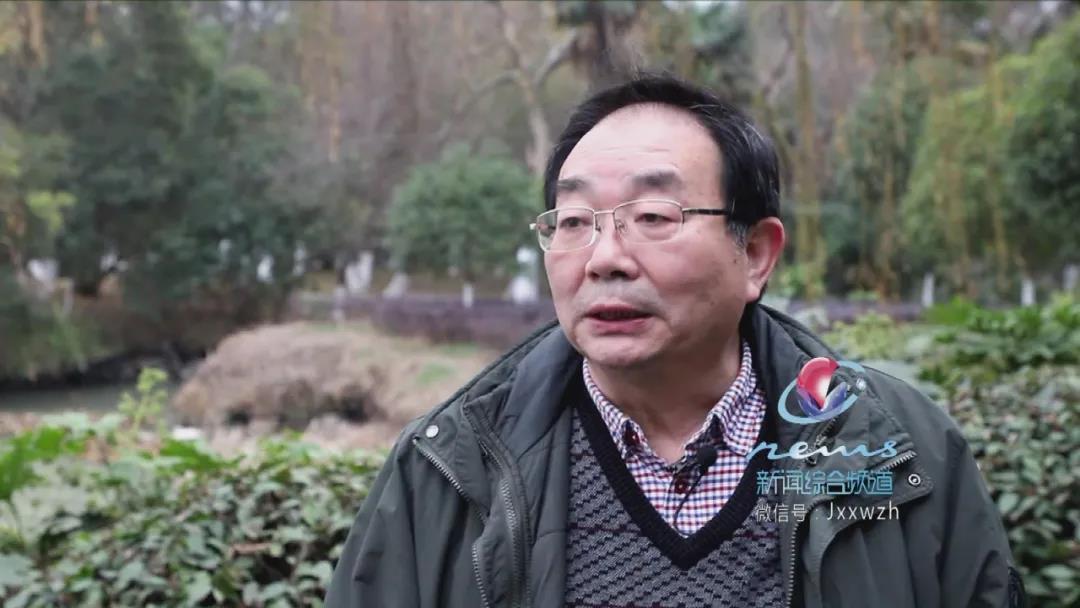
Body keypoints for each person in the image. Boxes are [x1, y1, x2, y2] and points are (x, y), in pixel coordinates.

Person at [325, 75, 1025, 608]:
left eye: (654, 216)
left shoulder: (901, 449)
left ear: (755, 254)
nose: (604, 259)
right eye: (574, 221)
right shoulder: (449, 464)